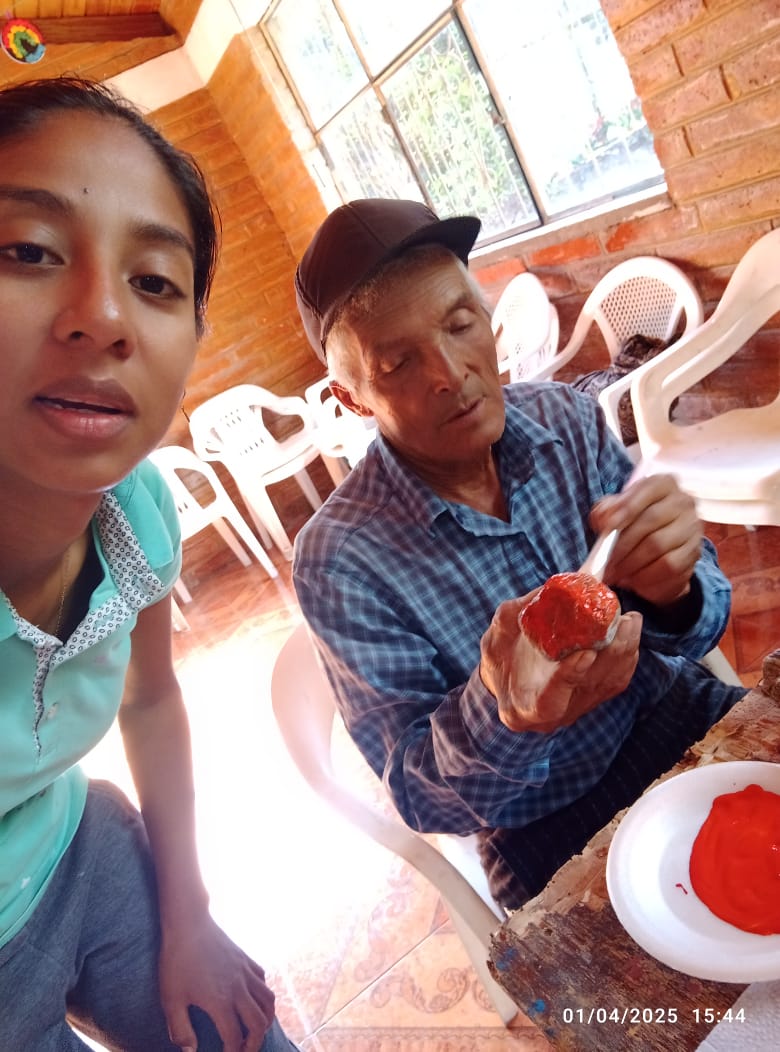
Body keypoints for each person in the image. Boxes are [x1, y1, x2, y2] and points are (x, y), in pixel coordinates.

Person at [292, 198, 746, 910]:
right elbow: (417, 793)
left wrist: (675, 591)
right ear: (352, 399)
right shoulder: (340, 562)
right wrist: (506, 717)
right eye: (399, 362)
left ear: (487, 316)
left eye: (460, 324)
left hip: (676, 713)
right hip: (542, 828)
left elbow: (702, 618)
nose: (450, 373)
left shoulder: (567, 419)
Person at [0, 76, 298, 1052]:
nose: (103, 317)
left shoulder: (138, 512)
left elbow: (151, 697)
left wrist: (188, 914)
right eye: (28, 250)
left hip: (72, 852)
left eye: (157, 281)